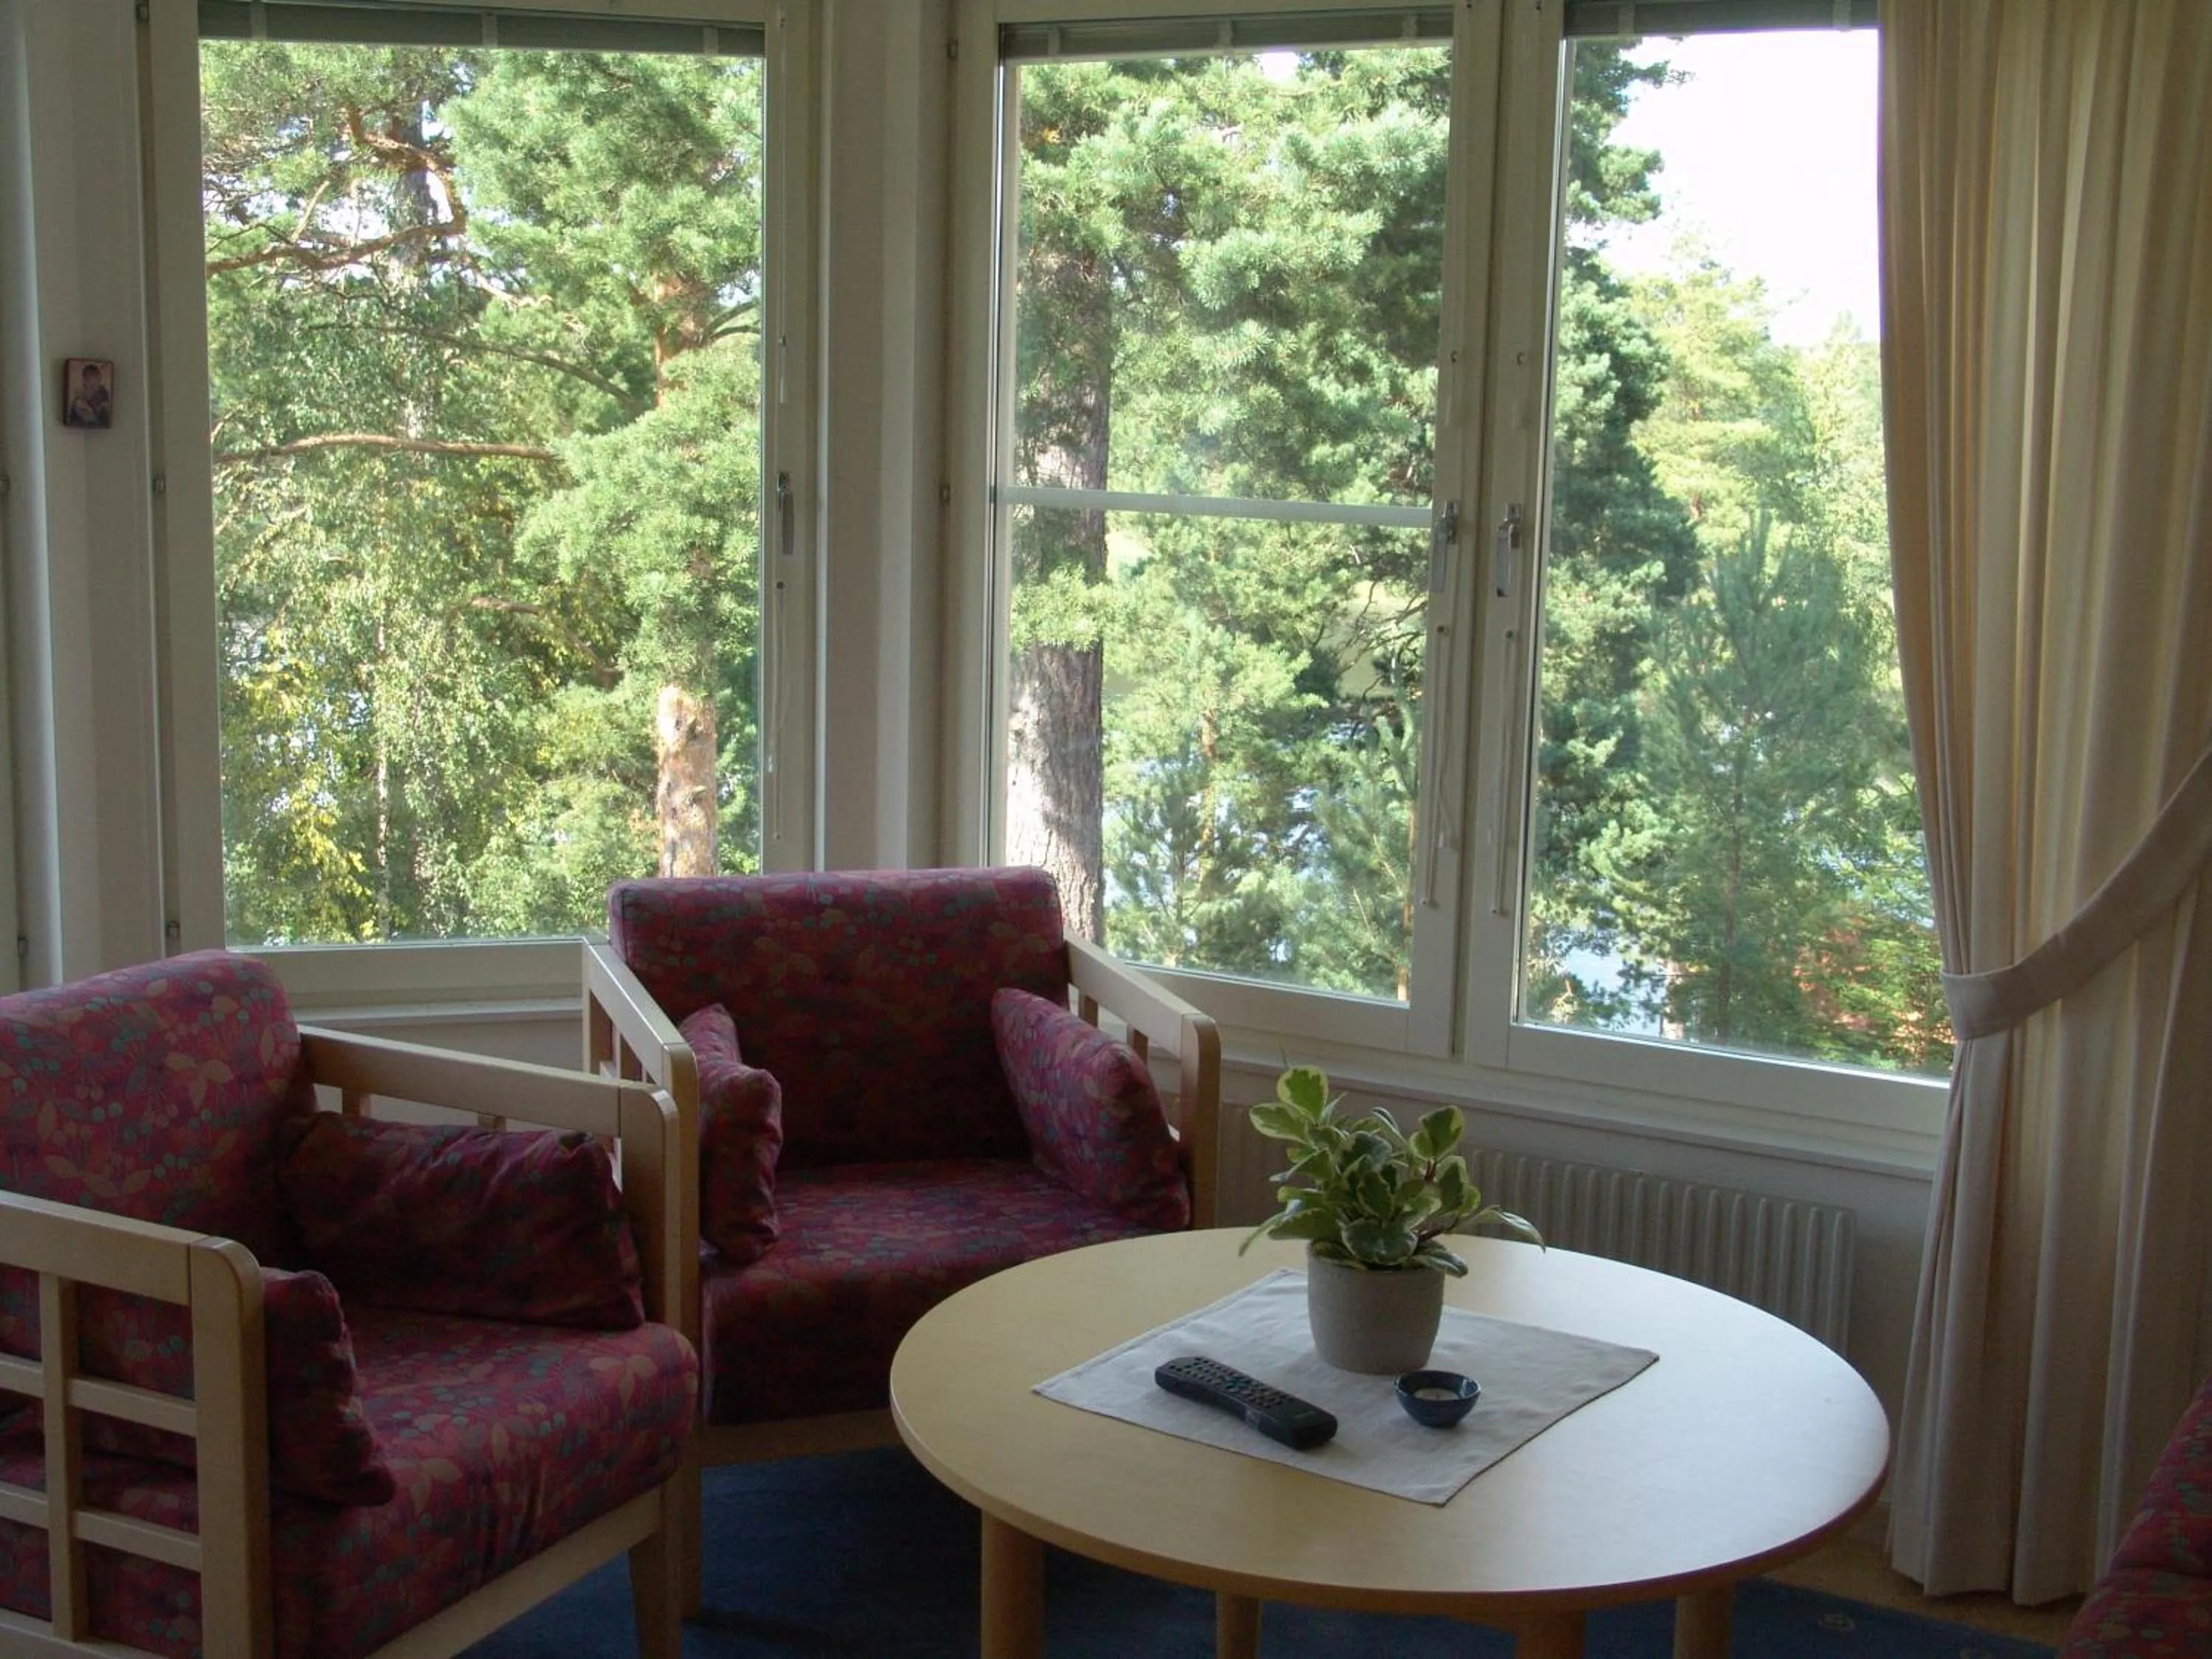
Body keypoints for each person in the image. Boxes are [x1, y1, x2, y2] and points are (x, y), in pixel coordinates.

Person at [66, 361, 111, 428]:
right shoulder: (80, 398)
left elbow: (102, 417)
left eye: (93, 378)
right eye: (87, 379)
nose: (91, 382)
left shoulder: (104, 395)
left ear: (99, 379)